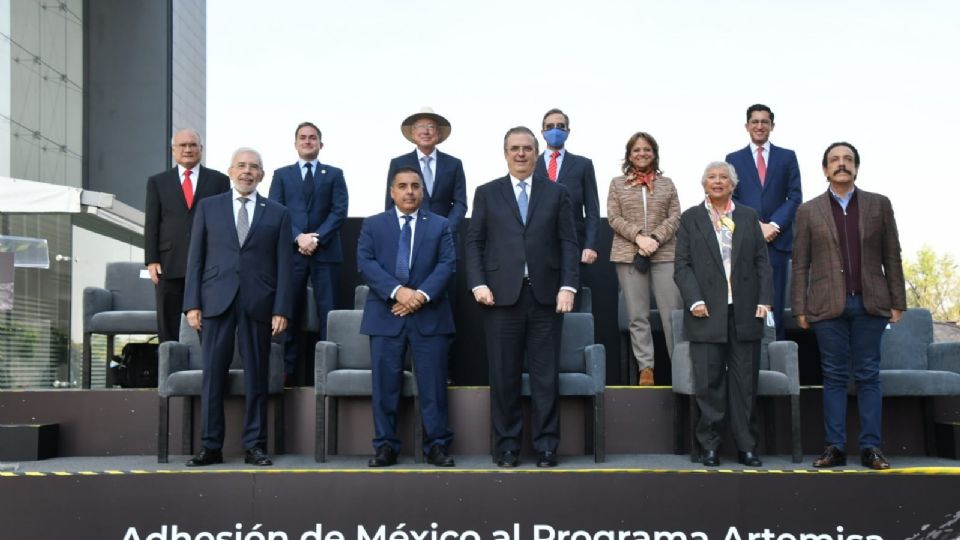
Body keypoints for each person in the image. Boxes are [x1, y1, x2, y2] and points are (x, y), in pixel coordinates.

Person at [465, 126, 579, 468]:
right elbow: (474, 242)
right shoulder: (487, 193)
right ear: (505, 153)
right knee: (504, 377)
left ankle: (546, 446)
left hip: (546, 299)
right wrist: (478, 283)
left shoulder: (557, 193)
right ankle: (507, 447)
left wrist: (568, 286)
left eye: (527, 148)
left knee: (546, 378)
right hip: (499, 298)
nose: (521, 154)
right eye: (514, 148)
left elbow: (568, 244)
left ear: (536, 152)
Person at [791, 142, 905, 470]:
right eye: (835, 160)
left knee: (869, 375)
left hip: (871, 303)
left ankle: (871, 448)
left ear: (856, 167)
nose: (842, 164)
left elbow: (891, 256)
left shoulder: (879, 205)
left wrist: (898, 301)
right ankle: (835, 447)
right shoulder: (808, 211)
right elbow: (801, 263)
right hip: (827, 307)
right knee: (835, 375)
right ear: (825, 169)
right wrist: (799, 307)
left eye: (848, 160)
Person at [182, 147, 292, 467]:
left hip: (259, 303)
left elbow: (286, 266)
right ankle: (210, 446)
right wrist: (192, 304)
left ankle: (255, 445)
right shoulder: (208, 207)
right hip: (215, 300)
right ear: (230, 172)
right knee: (213, 375)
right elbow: (196, 259)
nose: (247, 171)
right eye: (241, 166)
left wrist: (281, 308)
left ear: (262, 175)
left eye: (254, 167)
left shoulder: (278, 213)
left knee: (257, 375)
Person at [674, 161, 772, 468]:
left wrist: (765, 299)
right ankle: (710, 446)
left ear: (733, 184)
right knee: (708, 383)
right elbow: (682, 266)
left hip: (745, 311)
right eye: (712, 177)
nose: (718, 182)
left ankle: (747, 447)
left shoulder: (747, 216)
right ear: (703, 184)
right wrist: (693, 300)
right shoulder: (690, 218)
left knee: (745, 384)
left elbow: (762, 262)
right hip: (705, 312)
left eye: (724, 178)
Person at [359, 166, 457, 467]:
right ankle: (386, 446)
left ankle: (437, 446)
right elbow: (365, 263)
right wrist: (398, 291)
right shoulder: (373, 225)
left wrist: (419, 297)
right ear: (392, 192)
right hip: (386, 314)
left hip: (430, 316)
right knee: (385, 386)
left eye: (415, 186)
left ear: (422, 191)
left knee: (434, 387)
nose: (409, 191)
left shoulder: (440, 225)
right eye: (402, 186)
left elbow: (447, 264)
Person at [385, 107, 467, 383]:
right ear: (412, 133)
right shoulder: (399, 162)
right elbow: (390, 207)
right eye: (420, 126)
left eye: (431, 126)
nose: (426, 130)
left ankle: (444, 372)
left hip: (444, 245)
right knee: (407, 302)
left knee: (444, 307)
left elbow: (461, 204)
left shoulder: (453, 164)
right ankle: (407, 369)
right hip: (407, 248)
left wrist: (442, 230)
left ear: (439, 134)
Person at [269, 121, 348, 383]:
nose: (307, 141)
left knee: (329, 313)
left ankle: (327, 371)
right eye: (302, 137)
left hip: (325, 253)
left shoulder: (334, 174)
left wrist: (316, 237)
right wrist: (297, 237)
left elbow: (339, 211)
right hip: (292, 253)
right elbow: (276, 210)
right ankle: (287, 371)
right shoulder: (281, 175)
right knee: (288, 310)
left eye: (312, 138)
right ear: (295, 143)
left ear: (320, 144)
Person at [607, 132, 683, 386]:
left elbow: (675, 217)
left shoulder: (667, 184)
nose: (642, 154)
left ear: (654, 153)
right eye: (637, 150)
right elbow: (614, 217)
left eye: (647, 150)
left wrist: (655, 240)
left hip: (665, 255)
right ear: (629, 155)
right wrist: (639, 238)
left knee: (672, 314)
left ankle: (681, 366)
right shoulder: (618, 184)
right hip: (629, 255)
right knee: (637, 315)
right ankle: (646, 369)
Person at [144, 128, 230, 342]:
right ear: (173, 150)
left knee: (208, 324)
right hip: (168, 264)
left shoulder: (219, 181)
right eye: (183, 145)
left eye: (193, 145)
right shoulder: (157, 182)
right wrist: (151, 259)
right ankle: (169, 373)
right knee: (168, 325)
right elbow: (152, 223)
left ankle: (205, 371)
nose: (188, 149)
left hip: (208, 265)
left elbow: (224, 223)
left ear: (201, 149)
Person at [726, 104, 802, 340]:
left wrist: (774, 225)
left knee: (775, 304)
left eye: (764, 122)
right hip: (745, 240)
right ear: (747, 126)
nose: (759, 126)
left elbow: (795, 196)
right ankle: (749, 360)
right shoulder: (733, 159)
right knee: (746, 300)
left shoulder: (787, 157)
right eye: (755, 121)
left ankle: (775, 359)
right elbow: (730, 197)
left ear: (772, 126)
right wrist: (756, 225)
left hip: (777, 242)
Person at [534, 108, 601, 267]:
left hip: (573, 243)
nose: (555, 130)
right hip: (537, 243)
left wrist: (590, 245)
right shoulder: (530, 165)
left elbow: (592, 209)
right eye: (549, 127)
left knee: (571, 290)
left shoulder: (583, 165)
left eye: (560, 126)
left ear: (568, 131)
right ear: (543, 132)